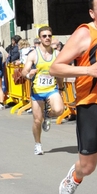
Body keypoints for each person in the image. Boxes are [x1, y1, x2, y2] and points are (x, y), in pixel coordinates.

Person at [49, 0, 97, 194]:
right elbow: (55, 68)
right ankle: (75, 176)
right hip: (91, 108)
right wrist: (88, 70)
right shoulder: (85, 34)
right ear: (92, 13)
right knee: (88, 166)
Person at [21, 26, 64, 155]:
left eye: (49, 36)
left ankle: (48, 115)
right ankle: (38, 144)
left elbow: (60, 73)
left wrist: (61, 88)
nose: (47, 38)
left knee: (59, 110)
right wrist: (29, 74)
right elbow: (24, 71)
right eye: (44, 36)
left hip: (52, 88)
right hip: (37, 90)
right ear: (40, 38)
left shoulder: (57, 54)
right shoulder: (34, 54)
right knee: (37, 120)